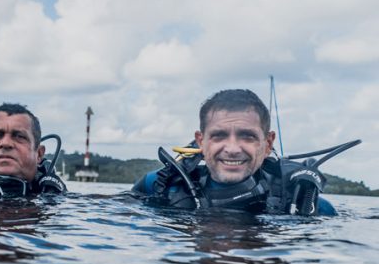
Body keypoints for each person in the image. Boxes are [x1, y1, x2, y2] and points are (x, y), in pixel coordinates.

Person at [132, 89, 338, 216]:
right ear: (201, 141)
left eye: (247, 136)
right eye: (219, 135)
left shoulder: (310, 207)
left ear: (268, 144)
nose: (232, 149)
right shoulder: (158, 185)